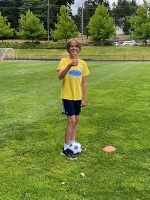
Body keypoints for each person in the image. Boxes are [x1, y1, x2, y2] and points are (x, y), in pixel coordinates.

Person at [57, 38, 90, 160]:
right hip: (67, 96)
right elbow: (60, 76)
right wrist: (70, 65)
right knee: (71, 121)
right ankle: (65, 148)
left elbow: (84, 83)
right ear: (68, 49)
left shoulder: (83, 64)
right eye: (72, 46)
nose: (74, 48)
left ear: (79, 49)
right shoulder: (64, 61)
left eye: (76, 46)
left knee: (76, 120)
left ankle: (72, 144)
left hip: (78, 97)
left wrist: (84, 98)